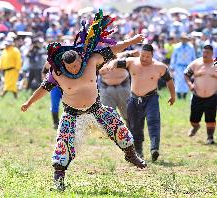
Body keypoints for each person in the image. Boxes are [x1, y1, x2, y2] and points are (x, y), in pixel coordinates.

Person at [21, 11, 146, 191]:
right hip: (72, 113)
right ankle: (59, 179)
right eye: (69, 67)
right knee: (63, 145)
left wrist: (132, 41)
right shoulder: (56, 74)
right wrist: (29, 102)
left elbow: (113, 49)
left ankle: (131, 154)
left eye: (76, 65)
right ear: (63, 65)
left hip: (96, 108)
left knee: (119, 128)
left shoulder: (93, 59)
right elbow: (43, 89)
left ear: (80, 58)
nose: (73, 69)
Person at [103, 44, 176, 161]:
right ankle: (138, 151)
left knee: (153, 121)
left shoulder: (159, 67)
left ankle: (154, 149)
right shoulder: (132, 62)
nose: (144, 59)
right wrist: (112, 64)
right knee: (135, 126)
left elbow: (169, 81)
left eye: (147, 57)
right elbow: (118, 62)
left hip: (151, 98)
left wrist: (173, 95)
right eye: (142, 56)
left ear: (152, 56)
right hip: (134, 98)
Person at [184, 45, 217, 144]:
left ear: (212, 54)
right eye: (204, 52)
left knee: (210, 118)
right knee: (194, 119)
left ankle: (210, 137)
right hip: (197, 96)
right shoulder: (196, 63)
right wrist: (190, 84)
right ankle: (195, 127)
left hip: (213, 96)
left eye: (207, 53)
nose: (205, 54)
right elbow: (186, 74)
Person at [98, 50, 140, 125]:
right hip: (106, 89)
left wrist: (128, 54)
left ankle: (131, 130)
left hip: (123, 87)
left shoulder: (123, 57)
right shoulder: (99, 60)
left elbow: (137, 53)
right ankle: (113, 132)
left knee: (128, 114)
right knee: (108, 115)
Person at [170, 33, 196, 99]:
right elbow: (173, 57)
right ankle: (178, 96)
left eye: (185, 39)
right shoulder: (177, 47)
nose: (184, 40)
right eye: (183, 39)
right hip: (178, 66)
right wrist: (172, 67)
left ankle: (184, 96)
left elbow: (193, 58)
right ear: (181, 39)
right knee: (178, 81)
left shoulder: (191, 47)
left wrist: (194, 67)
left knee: (186, 81)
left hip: (187, 66)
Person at [42, 61, 62, 129]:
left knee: (70, 105)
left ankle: (70, 122)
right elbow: (44, 70)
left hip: (66, 86)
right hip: (55, 87)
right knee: (54, 105)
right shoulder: (51, 59)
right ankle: (56, 122)